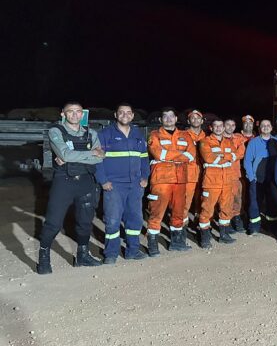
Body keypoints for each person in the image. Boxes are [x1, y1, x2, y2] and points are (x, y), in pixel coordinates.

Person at [37, 101, 105, 274]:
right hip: (64, 181)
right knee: (53, 223)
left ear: (83, 114)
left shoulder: (91, 133)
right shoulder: (56, 131)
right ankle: (43, 256)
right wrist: (89, 153)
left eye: (78, 112)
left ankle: (82, 255)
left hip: (86, 182)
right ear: (63, 114)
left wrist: (73, 156)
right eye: (70, 112)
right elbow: (65, 155)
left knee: (85, 222)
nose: (75, 115)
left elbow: (100, 158)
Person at [95, 103, 149, 264]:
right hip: (114, 185)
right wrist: (103, 181)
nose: (125, 115)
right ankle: (111, 253)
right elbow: (97, 160)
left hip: (135, 185)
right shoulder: (105, 134)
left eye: (128, 113)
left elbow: (144, 158)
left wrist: (145, 176)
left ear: (132, 116)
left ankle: (132, 250)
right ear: (115, 115)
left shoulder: (138, 134)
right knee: (112, 220)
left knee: (135, 219)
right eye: (121, 112)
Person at [146, 107, 195, 255]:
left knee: (178, 213)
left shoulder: (185, 136)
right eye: (165, 116)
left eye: (171, 116)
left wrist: (169, 155)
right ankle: (152, 245)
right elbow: (158, 153)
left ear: (176, 119)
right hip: (161, 180)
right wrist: (181, 154)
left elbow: (191, 155)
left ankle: (176, 242)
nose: (168, 119)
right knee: (156, 212)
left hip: (180, 180)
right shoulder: (154, 135)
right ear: (161, 120)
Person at [197, 118, 238, 248]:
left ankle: (224, 235)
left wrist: (221, 156)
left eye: (221, 126)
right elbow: (209, 158)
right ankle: (205, 238)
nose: (219, 128)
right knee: (207, 210)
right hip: (211, 182)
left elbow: (234, 156)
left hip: (227, 181)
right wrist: (225, 157)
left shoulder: (228, 142)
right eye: (216, 126)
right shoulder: (205, 142)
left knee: (226, 209)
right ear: (211, 128)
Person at [243, 119, 274, 235]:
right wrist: (251, 178)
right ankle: (254, 227)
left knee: (271, 202)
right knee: (254, 203)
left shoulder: (276, 142)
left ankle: (271, 226)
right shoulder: (253, 142)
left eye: (268, 125)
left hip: (272, 179)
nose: (265, 127)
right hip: (257, 179)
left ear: (271, 128)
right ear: (259, 128)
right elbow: (247, 161)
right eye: (263, 125)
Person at [224, 118, 248, 233]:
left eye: (233, 125)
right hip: (221, 174)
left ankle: (236, 218)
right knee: (224, 199)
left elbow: (241, 152)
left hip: (235, 174)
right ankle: (226, 221)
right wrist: (231, 155)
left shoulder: (238, 138)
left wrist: (229, 156)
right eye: (227, 125)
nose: (230, 127)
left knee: (237, 198)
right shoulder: (218, 138)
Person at [183, 109, 206, 229]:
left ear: (202, 121)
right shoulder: (183, 135)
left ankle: (199, 221)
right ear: (188, 120)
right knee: (186, 199)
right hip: (189, 173)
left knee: (202, 198)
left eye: (198, 118)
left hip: (204, 173)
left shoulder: (206, 136)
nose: (195, 120)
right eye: (193, 118)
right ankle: (183, 224)